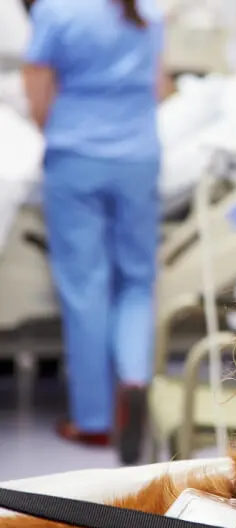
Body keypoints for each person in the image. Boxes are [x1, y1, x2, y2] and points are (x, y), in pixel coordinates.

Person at [22, 0, 168, 465]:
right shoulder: (147, 9)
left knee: (86, 287)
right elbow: (159, 87)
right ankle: (135, 380)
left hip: (76, 157)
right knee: (136, 281)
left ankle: (94, 421)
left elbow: (38, 93)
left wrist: (63, 131)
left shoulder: (56, 11)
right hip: (139, 159)